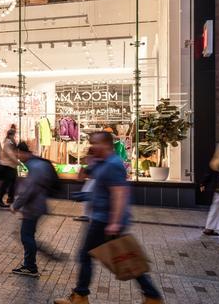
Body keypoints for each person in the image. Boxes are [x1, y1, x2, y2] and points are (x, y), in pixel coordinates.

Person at [55, 130, 164, 304]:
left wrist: (114, 222)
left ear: (106, 144)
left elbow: (119, 193)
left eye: (95, 143)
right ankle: (152, 296)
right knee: (126, 256)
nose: (92, 146)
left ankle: (80, 296)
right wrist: (89, 159)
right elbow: (80, 177)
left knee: (86, 255)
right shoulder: (101, 162)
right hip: (101, 218)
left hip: (105, 219)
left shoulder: (113, 164)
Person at [10, 141, 57, 277]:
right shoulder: (37, 163)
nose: (17, 158)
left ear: (20, 152)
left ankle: (30, 266)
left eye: (17, 155)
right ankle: (30, 264)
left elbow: (29, 189)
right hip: (38, 205)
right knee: (28, 235)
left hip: (33, 207)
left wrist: (16, 205)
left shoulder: (35, 166)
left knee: (26, 236)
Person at [0, 133, 19, 208]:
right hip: (8, 166)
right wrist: (17, 162)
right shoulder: (8, 142)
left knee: (13, 183)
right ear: (10, 135)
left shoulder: (11, 141)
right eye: (13, 134)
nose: (14, 135)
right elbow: (10, 154)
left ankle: (11, 198)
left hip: (12, 166)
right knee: (6, 184)